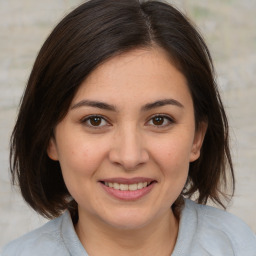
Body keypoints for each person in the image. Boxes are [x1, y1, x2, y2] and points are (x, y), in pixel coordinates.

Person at [1, 0, 256, 255]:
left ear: (197, 138)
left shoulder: (239, 245)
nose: (129, 157)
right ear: (50, 138)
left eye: (159, 120)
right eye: (95, 120)